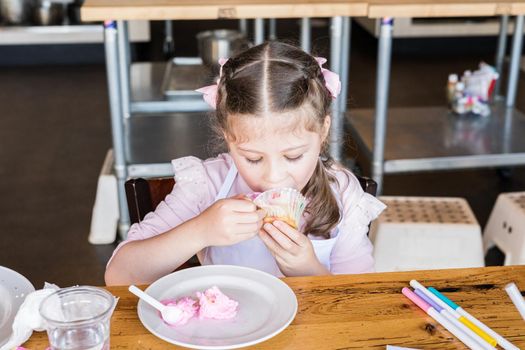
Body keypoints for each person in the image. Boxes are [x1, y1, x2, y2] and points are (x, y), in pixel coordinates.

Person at [105, 41, 386, 286]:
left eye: (293, 156)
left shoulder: (343, 194)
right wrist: (200, 230)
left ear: (323, 132)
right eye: (252, 158)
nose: (273, 177)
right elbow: (119, 276)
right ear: (229, 139)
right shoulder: (207, 184)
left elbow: (358, 298)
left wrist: (306, 269)